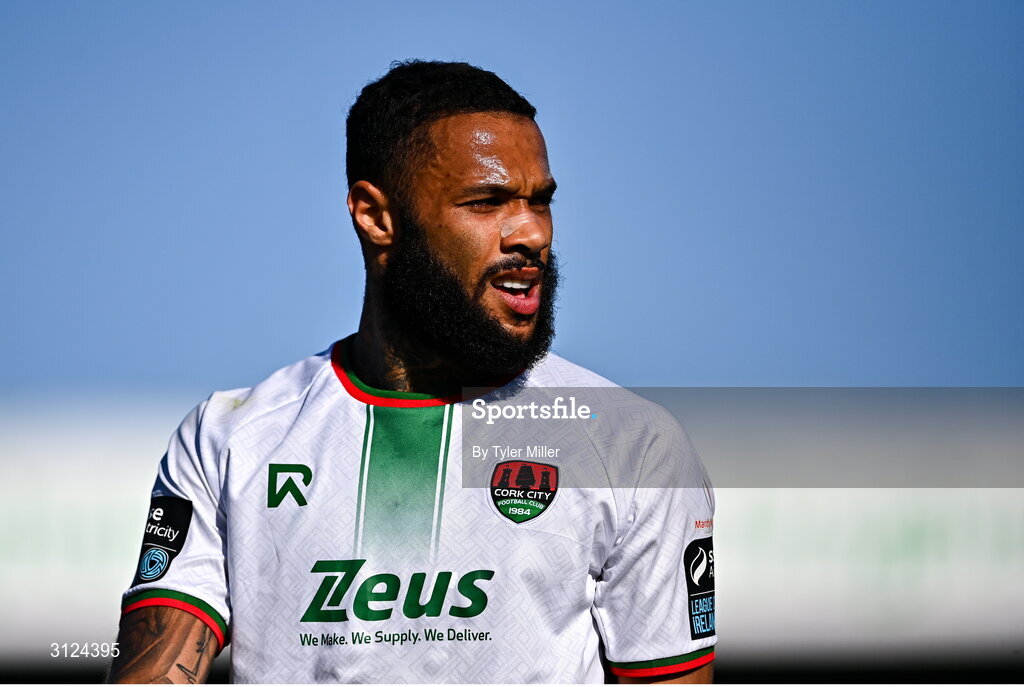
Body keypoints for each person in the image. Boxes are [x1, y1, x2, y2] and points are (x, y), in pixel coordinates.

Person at [108, 60, 716, 684]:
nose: (532, 232)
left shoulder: (631, 444)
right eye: (487, 202)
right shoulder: (230, 438)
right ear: (376, 217)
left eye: (540, 202)